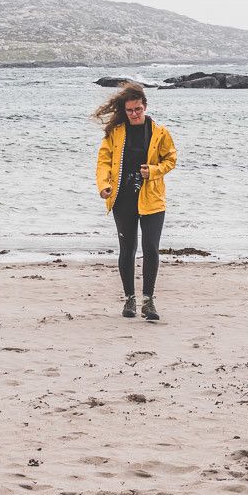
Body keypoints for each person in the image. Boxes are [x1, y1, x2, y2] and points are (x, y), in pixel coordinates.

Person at [94, 82, 177, 322]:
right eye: (130, 110)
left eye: (138, 109)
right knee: (127, 250)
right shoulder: (115, 132)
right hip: (122, 199)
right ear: (125, 110)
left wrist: (153, 170)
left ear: (145, 106)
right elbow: (103, 162)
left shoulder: (159, 132)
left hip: (152, 199)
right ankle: (129, 299)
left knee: (151, 248)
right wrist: (104, 186)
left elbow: (171, 159)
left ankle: (148, 301)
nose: (134, 114)